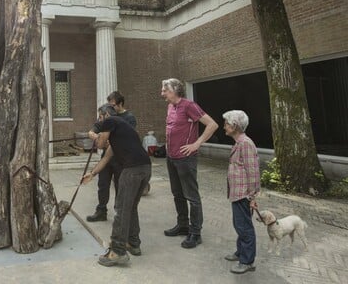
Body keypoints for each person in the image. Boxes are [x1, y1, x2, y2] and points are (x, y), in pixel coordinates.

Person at [83, 104, 151, 267]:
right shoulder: (122, 131)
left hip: (132, 170)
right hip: (145, 168)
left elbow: (99, 144)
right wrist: (91, 174)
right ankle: (133, 243)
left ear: (105, 115)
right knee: (131, 207)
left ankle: (118, 251)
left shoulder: (111, 120)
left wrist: (93, 135)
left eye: (99, 117)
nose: (99, 121)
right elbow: (105, 158)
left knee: (121, 208)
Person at [161, 78, 218, 248]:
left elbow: (212, 124)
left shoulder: (189, 105)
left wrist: (196, 144)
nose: (162, 93)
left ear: (174, 91)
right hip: (171, 157)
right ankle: (183, 225)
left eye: (165, 90)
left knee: (191, 196)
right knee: (177, 193)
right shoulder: (170, 106)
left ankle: (195, 232)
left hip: (186, 158)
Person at [86, 91, 137, 222]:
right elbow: (93, 131)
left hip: (121, 159)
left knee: (120, 186)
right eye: (109, 104)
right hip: (107, 157)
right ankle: (101, 211)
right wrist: (97, 137)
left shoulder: (129, 118)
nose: (110, 107)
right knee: (102, 184)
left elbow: (124, 139)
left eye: (113, 105)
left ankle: (119, 213)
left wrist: (107, 140)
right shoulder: (106, 115)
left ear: (120, 104)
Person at [222, 110, 260, 274]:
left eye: (227, 123)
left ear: (235, 126)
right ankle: (241, 252)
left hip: (243, 194)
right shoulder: (238, 142)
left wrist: (252, 196)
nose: (224, 126)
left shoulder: (245, 143)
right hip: (237, 193)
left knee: (244, 227)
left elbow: (253, 171)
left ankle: (247, 261)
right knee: (240, 225)